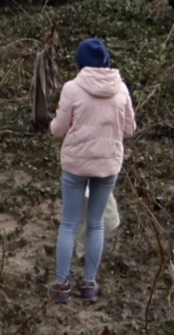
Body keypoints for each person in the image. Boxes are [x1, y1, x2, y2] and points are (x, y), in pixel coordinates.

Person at [49, 38, 136, 306]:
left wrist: (57, 118)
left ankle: (62, 286)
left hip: (75, 165)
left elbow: (57, 130)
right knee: (96, 223)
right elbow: (130, 130)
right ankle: (88, 285)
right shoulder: (120, 89)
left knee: (69, 223)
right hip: (107, 165)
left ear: (79, 62)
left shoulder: (72, 89)